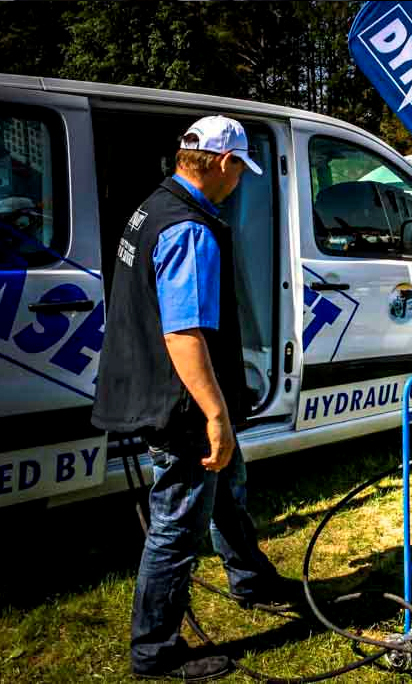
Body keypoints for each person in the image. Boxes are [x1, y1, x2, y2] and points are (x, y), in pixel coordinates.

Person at [92, 116, 286, 681]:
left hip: (159, 389)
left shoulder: (153, 204)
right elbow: (184, 333)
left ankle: (250, 580)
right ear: (223, 163)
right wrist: (217, 414)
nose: (240, 183)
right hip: (182, 405)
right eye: (240, 172)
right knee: (177, 523)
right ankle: (155, 650)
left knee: (228, 490)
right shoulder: (190, 229)